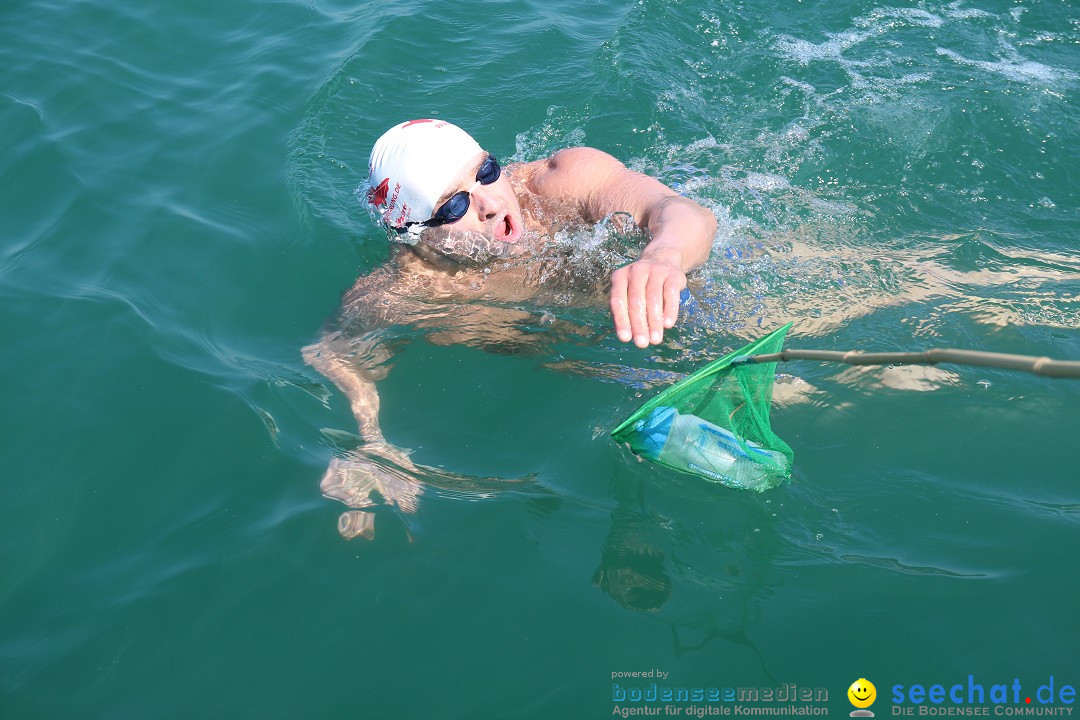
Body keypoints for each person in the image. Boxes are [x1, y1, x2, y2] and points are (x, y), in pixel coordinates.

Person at [304, 118, 717, 540]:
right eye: (454, 206)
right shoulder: (407, 292)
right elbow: (332, 353)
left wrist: (664, 256)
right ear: (414, 234)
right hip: (608, 370)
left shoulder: (561, 182)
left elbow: (681, 212)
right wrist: (371, 442)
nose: (490, 202)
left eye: (486, 172)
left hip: (707, 291)